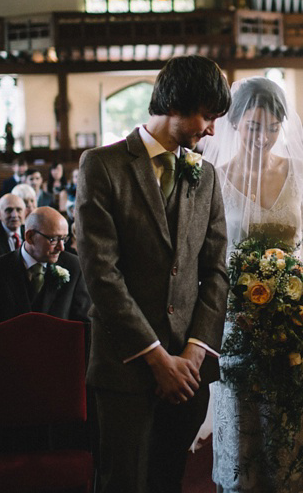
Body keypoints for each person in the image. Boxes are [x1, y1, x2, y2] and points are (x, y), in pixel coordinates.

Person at [75, 55, 232, 493]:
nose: (212, 129)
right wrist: (157, 357)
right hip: (126, 366)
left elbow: (217, 270)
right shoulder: (102, 165)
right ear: (176, 104)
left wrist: (194, 353)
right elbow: (101, 274)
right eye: (207, 115)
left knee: (169, 480)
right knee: (122, 482)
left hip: (188, 369)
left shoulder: (207, 176)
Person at [202, 76, 303, 491]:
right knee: (246, 425)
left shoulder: (300, 173)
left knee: (291, 425)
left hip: (292, 319)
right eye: (254, 126)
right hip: (237, 322)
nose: (263, 137)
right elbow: (211, 258)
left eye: (273, 127)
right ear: (234, 123)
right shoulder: (215, 178)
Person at [0, 206, 92, 327]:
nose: (61, 247)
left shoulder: (74, 266)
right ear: (30, 237)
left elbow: (83, 324)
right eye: (53, 239)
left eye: (63, 239)